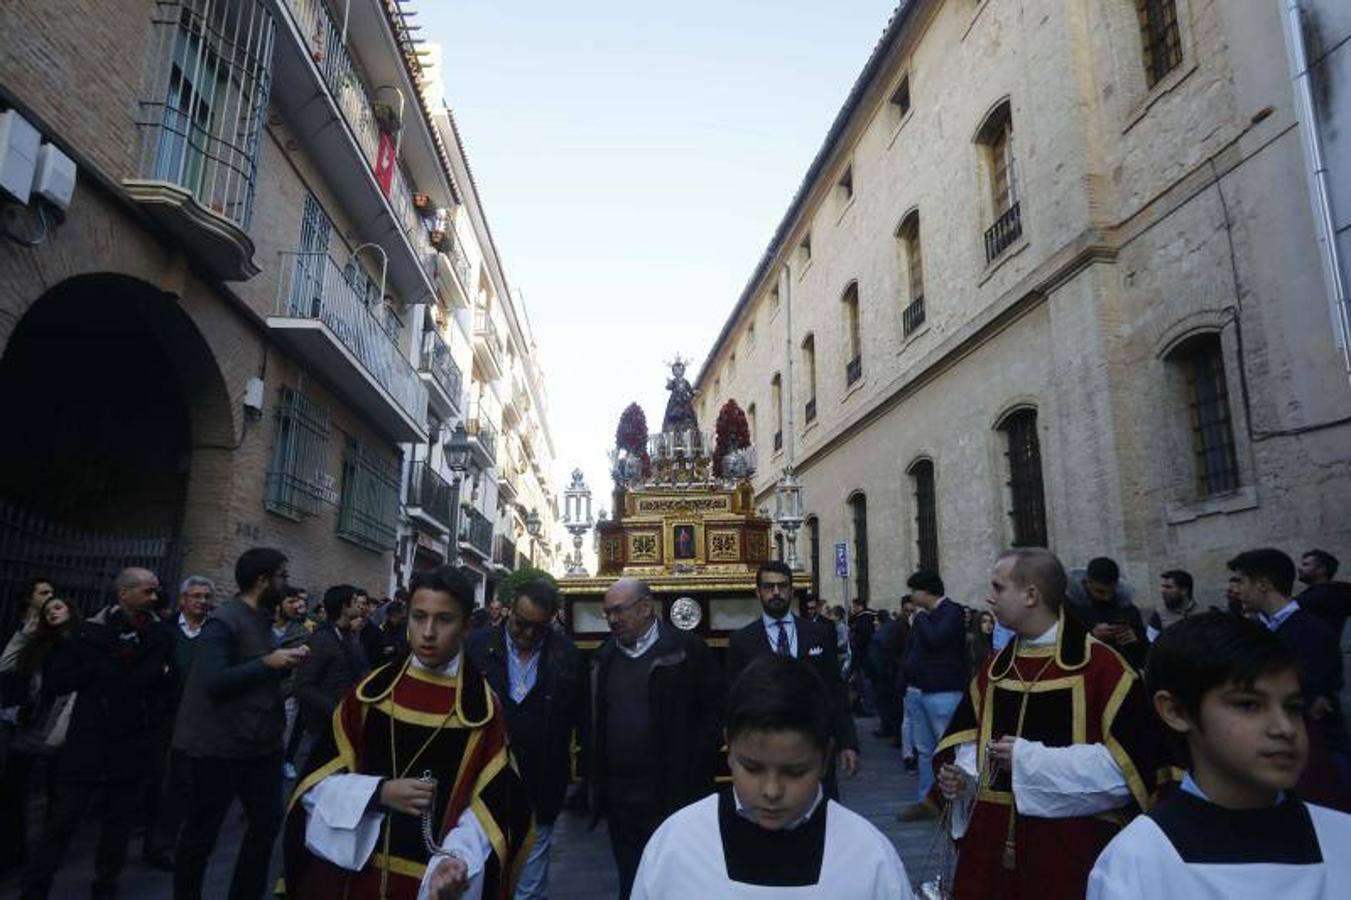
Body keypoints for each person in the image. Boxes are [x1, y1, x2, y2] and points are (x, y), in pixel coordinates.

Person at [283, 566, 532, 899]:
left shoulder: (482, 710)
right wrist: (378, 793)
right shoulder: (369, 694)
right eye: (419, 617)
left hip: (429, 884)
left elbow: (491, 808)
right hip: (350, 877)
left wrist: (457, 859)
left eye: (444, 620)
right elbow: (313, 786)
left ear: (466, 627)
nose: (428, 632)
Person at [935, 548, 1166, 900]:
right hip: (991, 848)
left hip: (1070, 848)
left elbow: (1131, 773)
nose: (988, 597)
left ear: (1031, 595)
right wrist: (962, 777)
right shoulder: (994, 669)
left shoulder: (1104, 669)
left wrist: (1029, 760)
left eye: (998, 588)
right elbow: (970, 745)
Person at [1087, 612, 1351, 898]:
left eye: (1293, 707)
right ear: (1175, 711)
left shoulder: (1341, 838)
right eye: (1249, 705)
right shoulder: (1139, 858)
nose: (1284, 728)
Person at [631, 655, 912, 898]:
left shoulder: (869, 858)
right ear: (729, 748)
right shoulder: (676, 846)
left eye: (795, 772)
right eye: (752, 768)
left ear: (825, 759)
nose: (772, 791)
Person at [19, 568, 173, 900]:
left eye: (155, 591)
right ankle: (36, 887)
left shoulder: (159, 635)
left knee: (117, 825)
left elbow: (157, 684)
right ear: (125, 593)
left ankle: (106, 885)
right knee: (62, 820)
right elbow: (59, 681)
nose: (154, 597)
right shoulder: (89, 633)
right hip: (87, 742)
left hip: (131, 742)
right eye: (148, 591)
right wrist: (104, 670)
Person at [172, 548, 310, 900]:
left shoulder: (261, 618)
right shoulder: (224, 621)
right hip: (219, 747)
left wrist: (285, 662)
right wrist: (270, 662)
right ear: (262, 580)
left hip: (260, 744)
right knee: (201, 834)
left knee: (265, 823)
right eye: (281, 576)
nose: (285, 583)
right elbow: (215, 680)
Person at [589, 577, 722, 899]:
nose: (612, 619)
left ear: (646, 607)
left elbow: (714, 710)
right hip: (622, 798)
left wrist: (693, 761)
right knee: (631, 879)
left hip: (674, 792)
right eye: (607, 612)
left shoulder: (686, 650)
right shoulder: (603, 657)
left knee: (679, 878)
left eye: (619, 611)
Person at [466, 579, 583, 900]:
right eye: (521, 623)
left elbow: (580, 716)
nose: (528, 634)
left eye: (539, 627)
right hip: (483, 786)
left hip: (541, 785)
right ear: (509, 609)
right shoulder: (475, 648)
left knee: (530, 885)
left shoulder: (567, 655)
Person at [1227, 548, 1350, 810]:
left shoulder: (1311, 630)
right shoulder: (1254, 630)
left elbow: (1303, 693)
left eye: (1242, 582)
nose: (1238, 590)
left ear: (1262, 585)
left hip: (1317, 755)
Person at [726, 562, 858, 800]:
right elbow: (735, 698)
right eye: (768, 587)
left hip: (814, 741)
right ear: (758, 593)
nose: (775, 592)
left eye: (782, 586)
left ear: (791, 590)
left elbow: (834, 690)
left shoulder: (817, 633)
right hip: (764, 746)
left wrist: (848, 742)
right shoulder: (742, 640)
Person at [0, 595, 79, 877]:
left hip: (60, 726)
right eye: (47, 611)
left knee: (56, 795)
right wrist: (25, 634)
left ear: (70, 610)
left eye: (57, 607)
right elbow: (6, 664)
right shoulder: (39, 644)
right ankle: (13, 850)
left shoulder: (80, 643)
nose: (52, 613)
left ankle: (48, 855)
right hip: (32, 723)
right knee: (12, 791)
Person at [144, 574, 215, 871]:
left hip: (202, 719)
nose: (202, 602)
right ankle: (157, 841)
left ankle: (171, 842)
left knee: (186, 783)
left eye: (206, 597)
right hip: (167, 716)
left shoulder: (215, 632)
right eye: (196, 596)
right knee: (162, 779)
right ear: (183, 599)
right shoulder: (165, 631)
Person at [898, 570, 969, 821]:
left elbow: (936, 640)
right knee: (925, 750)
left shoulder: (951, 611)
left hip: (944, 690)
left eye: (915, 591)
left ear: (926, 590)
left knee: (948, 748)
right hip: (919, 690)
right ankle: (927, 801)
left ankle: (956, 802)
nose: (912, 596)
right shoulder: (925, 616)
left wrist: (919, 619)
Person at [292, 584, 366, 773]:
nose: (360, 606)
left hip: (342, 723)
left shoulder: (348, 636)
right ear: (344, 606)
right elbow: (303, 684)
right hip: (323, 724)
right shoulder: (322, 639)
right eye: (355, 602)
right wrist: (334, 709)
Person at [1064, 556, 1148, 669]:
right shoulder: (1068, 606)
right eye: (1100, 592)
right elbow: (1063, 648)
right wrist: (1092, 636)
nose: (1107, 598)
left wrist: (1135, 640)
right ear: (1087, 582)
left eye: (1111, 592)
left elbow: (1145, 655)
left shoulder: (1128, 608)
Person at [1297, 549, 1351, 641]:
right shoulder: (1337, 592)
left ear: (1322, 569)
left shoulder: (1319, 596)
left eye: (1306, 565)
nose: (1299, 568)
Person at [1147, 569, 1199, 642]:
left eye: (1168, 587)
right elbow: (1152, 643)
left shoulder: (1205, 612)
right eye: (1163, 586)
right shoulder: (1158, 615)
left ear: (1184, 590)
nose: (1163, 590)